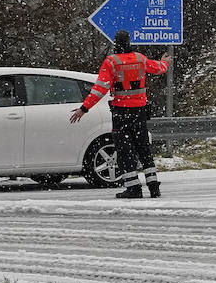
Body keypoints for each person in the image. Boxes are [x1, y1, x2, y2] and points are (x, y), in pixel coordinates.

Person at [69, 30, 170, 198]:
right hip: (140, 112)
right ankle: (154, 187)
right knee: (144, 149)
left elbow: (99, 89)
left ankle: (134, 188)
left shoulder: (111, 62)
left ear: (115, 43)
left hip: (121, 113)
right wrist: (164, 62)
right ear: (129, 42)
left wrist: (84, 108)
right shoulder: (140, 58)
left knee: (125, 151)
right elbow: (159, 68)